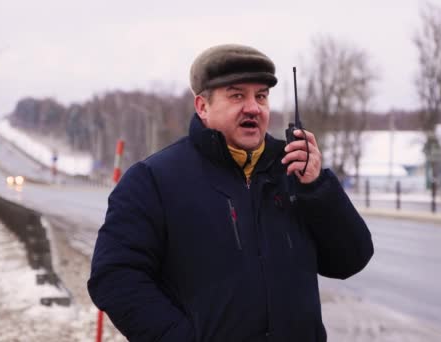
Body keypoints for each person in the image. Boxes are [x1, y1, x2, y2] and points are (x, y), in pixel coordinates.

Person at [88, 44, 373, 342]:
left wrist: (316, 188)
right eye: (237, 95)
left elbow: (350, 260)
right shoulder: (153, 180)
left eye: (261, 96)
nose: (253, 107)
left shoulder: (293, 172)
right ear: (202, 106)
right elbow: (115, 276)